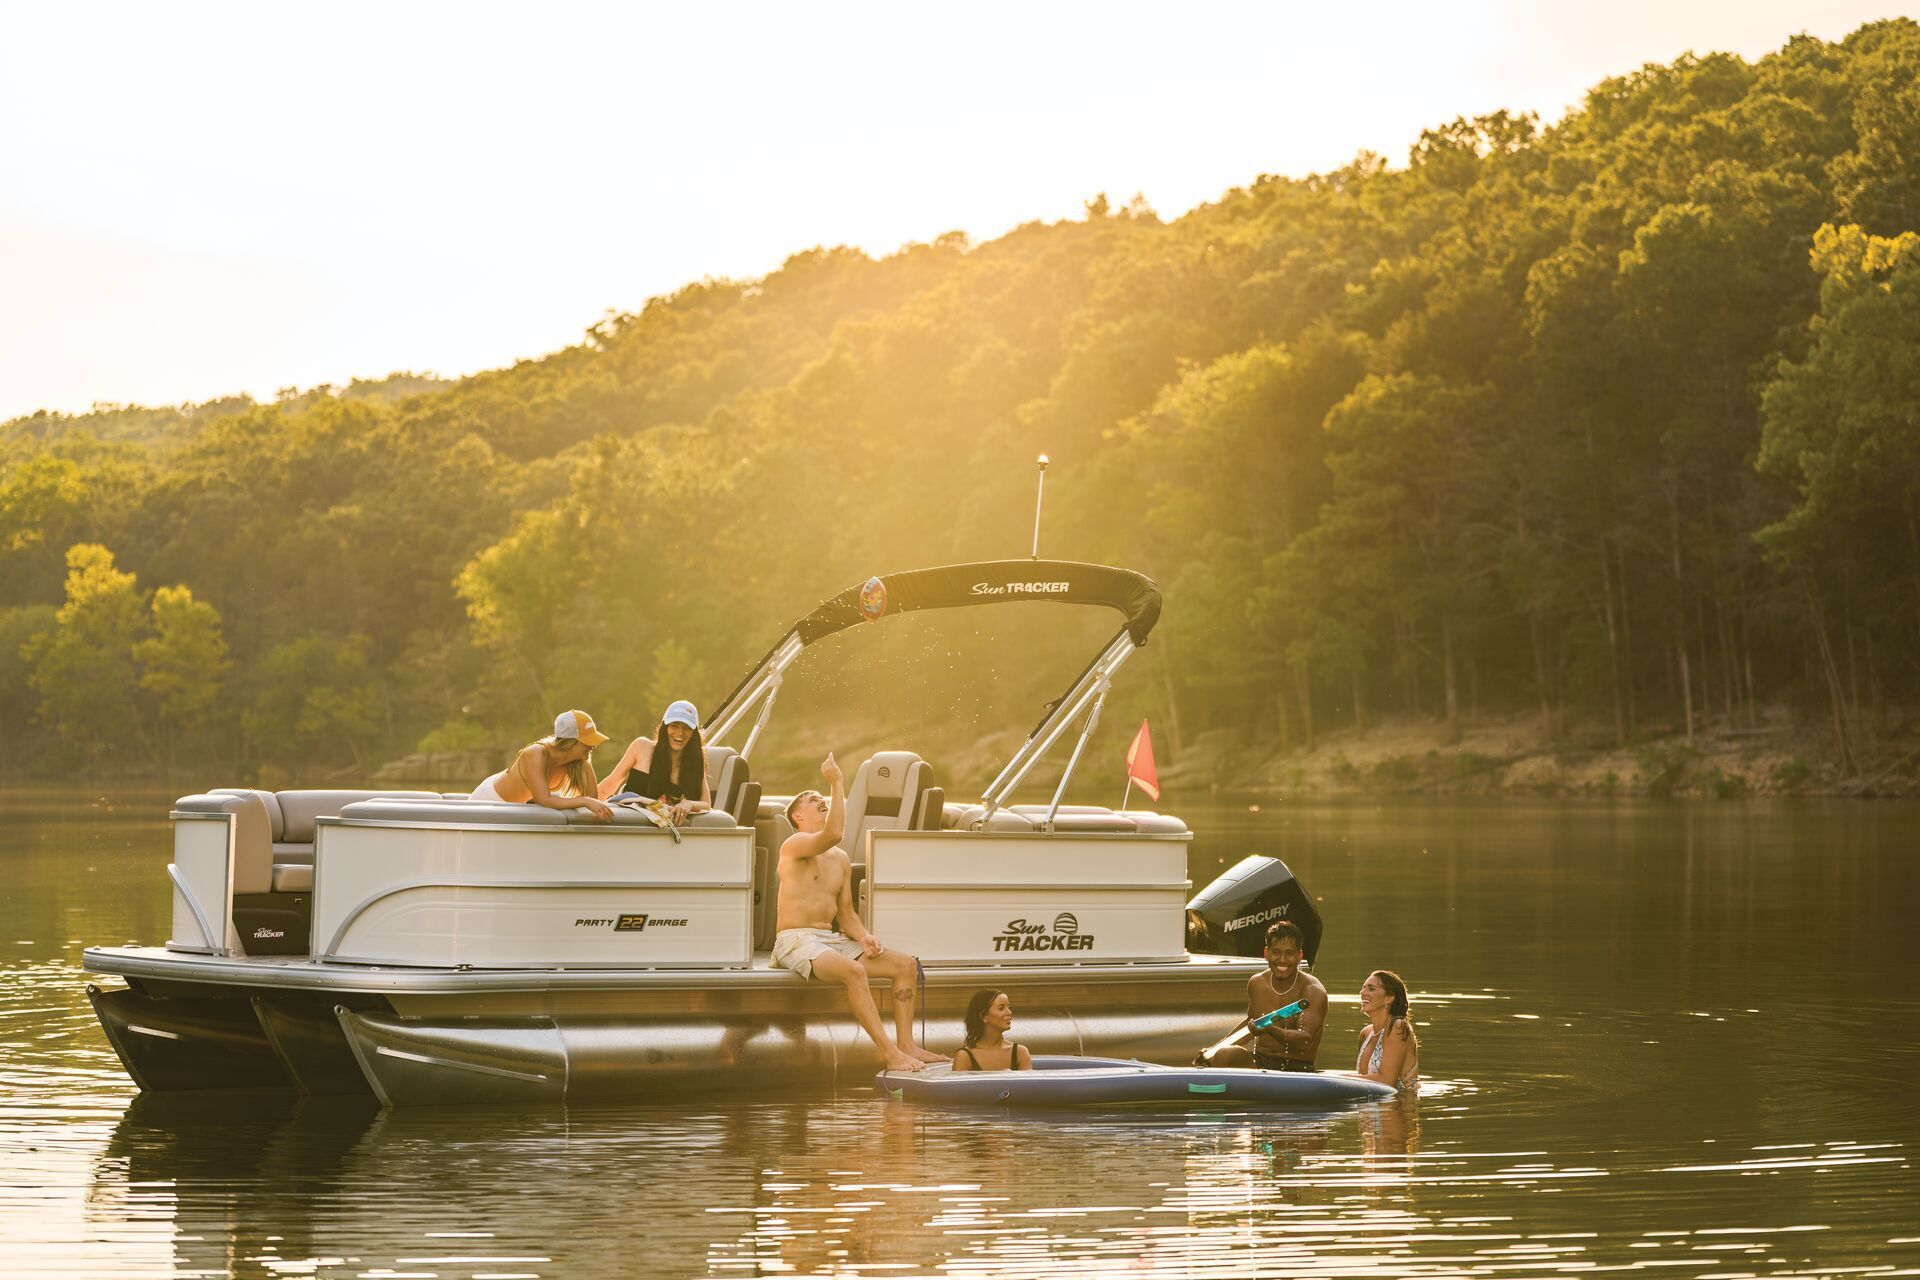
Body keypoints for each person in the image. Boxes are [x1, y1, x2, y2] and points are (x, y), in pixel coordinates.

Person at [771, 752, 944, 1072]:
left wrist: (864, 937)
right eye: (812, 799)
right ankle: (890, 1054)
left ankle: (907, 1045)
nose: (819, 799)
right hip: (795, 940)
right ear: (797, 816)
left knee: (905, 965)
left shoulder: (839, 858)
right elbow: (834, 832)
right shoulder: (792, 847)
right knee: (855, 972)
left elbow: (846, 914)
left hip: (831, 939)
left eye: (820, 795)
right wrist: (836, 783)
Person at [1202, 919, 1327, 1071]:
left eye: (1289, 953)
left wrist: (1269, 1029)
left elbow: (1304, 1041)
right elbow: (1251, 1025)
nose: (1282, 960)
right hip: (1261, 1063)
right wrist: (1213, 1051)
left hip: (1298, 1068)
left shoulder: (1312, 990)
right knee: (1225, 1055)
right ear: (1266, 953)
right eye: (1276, 953)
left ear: (1299, 956)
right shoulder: (1257, 983)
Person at [470, 710, 614, 821]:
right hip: (490, 801)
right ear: (570, 742)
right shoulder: (536, 753)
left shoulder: (578, 760)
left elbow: (592, 799)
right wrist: (584, 801)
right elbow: (543, 799)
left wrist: (589, 800)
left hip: (516, 809)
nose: (593, 746)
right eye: (588, 741)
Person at [598, 699, 711, 823]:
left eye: (687, 728)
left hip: (663, 835)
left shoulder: (695, 762)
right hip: (629, 824)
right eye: (674, 726)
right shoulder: (642, 747)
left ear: (693, 733)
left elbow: (706, 803)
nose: (680, 733)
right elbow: (608, 786)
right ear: (665, 728)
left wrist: (688, 804)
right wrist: (584, 806)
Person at [1355, 969, 1420, 1091]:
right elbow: (1364, 1079)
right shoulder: (1366, 1033)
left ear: (1389, 999)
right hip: (1370, 1104)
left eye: (1371, 988)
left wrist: (1334, 1078)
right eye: (1363, 987)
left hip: (1400, 1103)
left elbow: (1387, 1080)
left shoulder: (1398, 1026)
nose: (1362, 992)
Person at [951, 989, 1032, 1072]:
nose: (1009, 1012)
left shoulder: (1020, 1052)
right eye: (1001, 1008)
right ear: (984, 1016)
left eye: (1009, 1007)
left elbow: (1029, 1085)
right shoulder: (964, 1056)